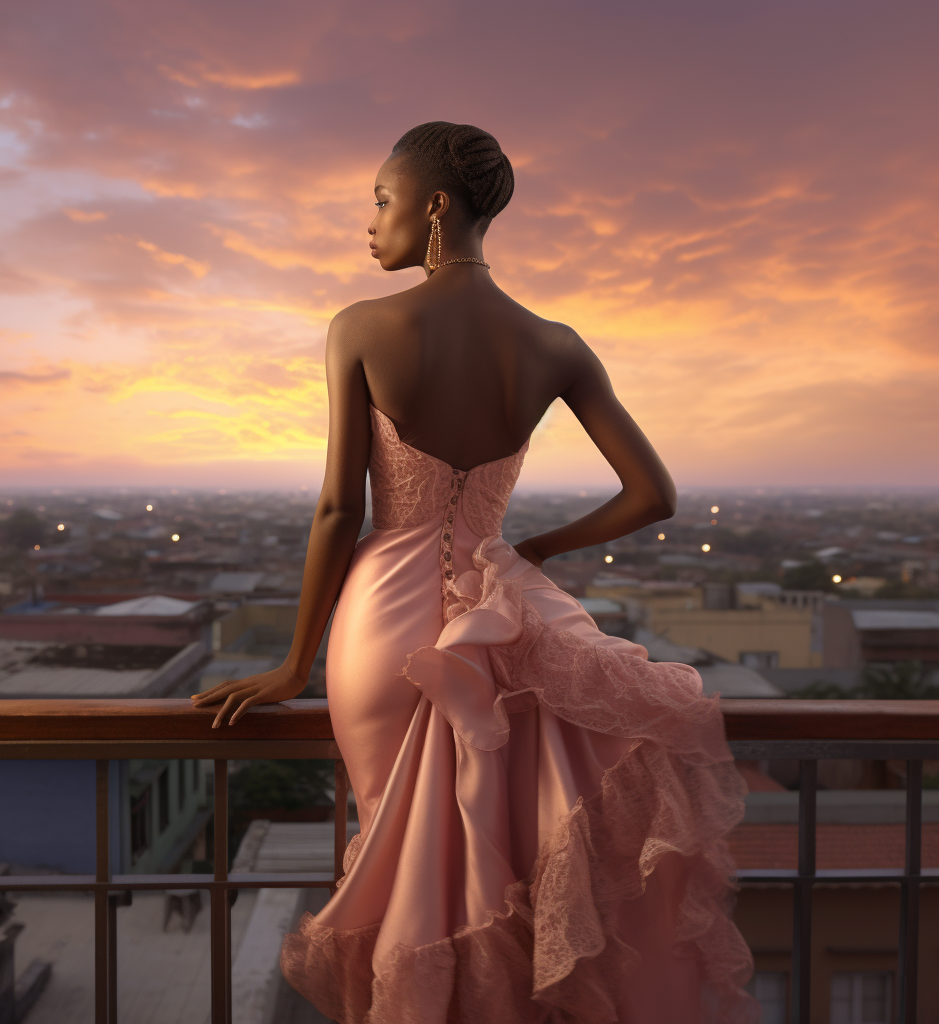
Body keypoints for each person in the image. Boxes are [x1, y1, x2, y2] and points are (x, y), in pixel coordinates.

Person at [191, 122, 759, 1024]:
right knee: (498, 857)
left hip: (382, 626)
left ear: (436, 204)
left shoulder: (361, 327)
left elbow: (340, 509)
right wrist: (531, 553)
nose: (370, 222)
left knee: (405, 855)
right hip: (503, 619)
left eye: (382, 200)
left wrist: (294, 665)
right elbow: (652, 495)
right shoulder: (555, 342)